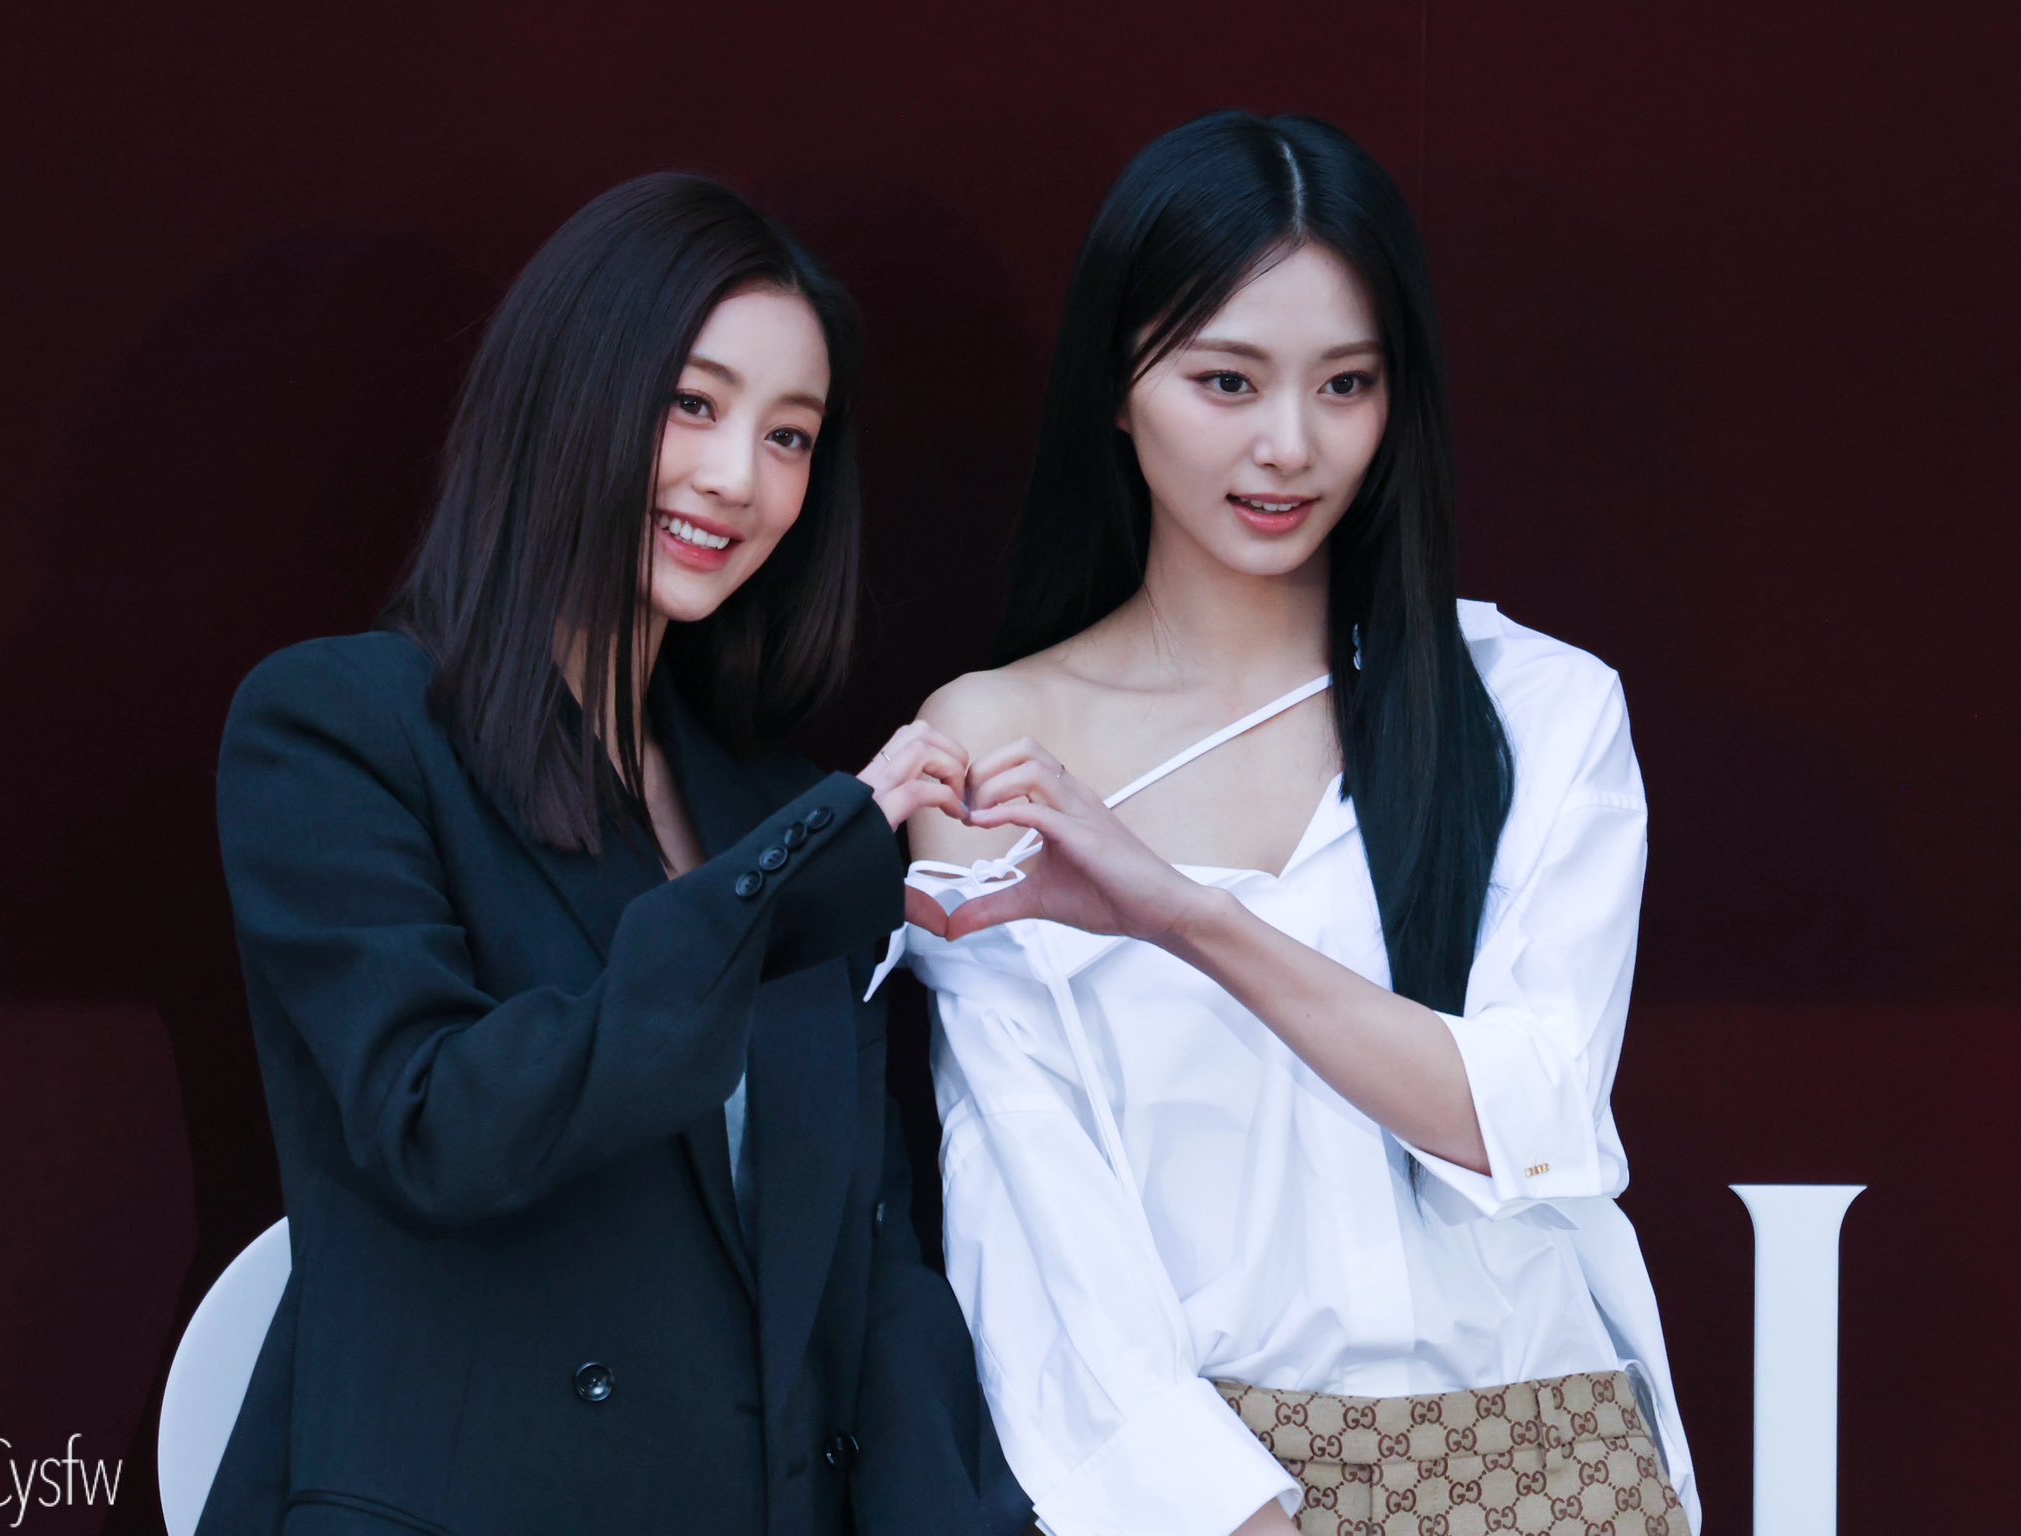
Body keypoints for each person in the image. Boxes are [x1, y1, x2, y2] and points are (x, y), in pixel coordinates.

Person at [887, 112, 1701, 1536]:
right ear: (1117, 388)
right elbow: (1032, 1217)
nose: (1288, 445)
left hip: (1543, 1453)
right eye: (1227, 380)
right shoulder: (995, 742)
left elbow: (1530, 1118)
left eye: (1346, 385)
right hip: (1203, 1489)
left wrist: (1184, 915)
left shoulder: (1534, 707)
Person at [208, 172, 1020, 1535]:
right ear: (569, 390)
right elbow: (438, 1123)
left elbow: (867, 1269)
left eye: (790, 435)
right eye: (693, 404)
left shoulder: (780, 809)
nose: (738, 478)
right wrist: (782, 878)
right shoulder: (338, 728)